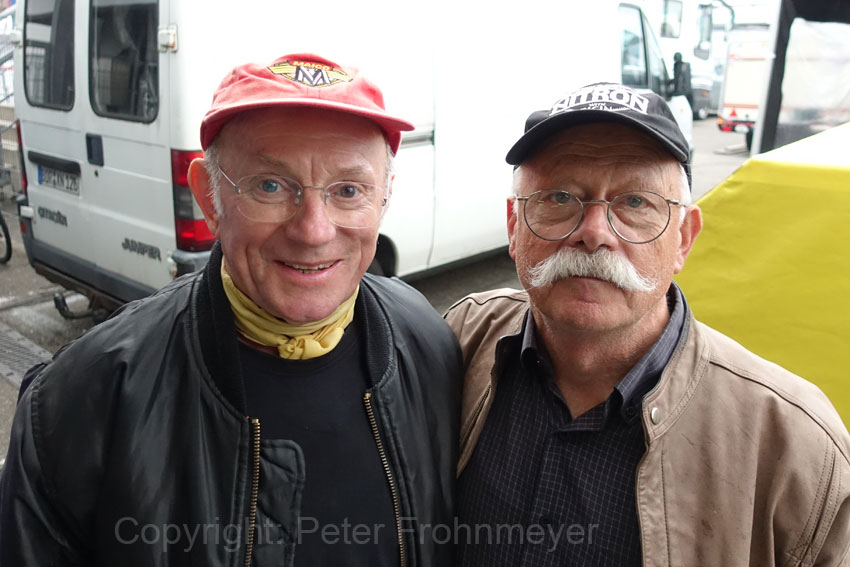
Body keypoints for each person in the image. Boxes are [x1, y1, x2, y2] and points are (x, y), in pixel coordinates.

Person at [0, 53, 462, 566]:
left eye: (349, 191)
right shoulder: (83, 397)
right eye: (270, 186)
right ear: (209, 197)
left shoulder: (427, 345)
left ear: (384, 198)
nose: (313, 230)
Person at [445, 82, 850, 565]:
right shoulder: (463, 338)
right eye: (558, 197)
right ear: (514, 227)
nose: (593, 233)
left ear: (684, 238)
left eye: (636, 203)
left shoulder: (793, 445)